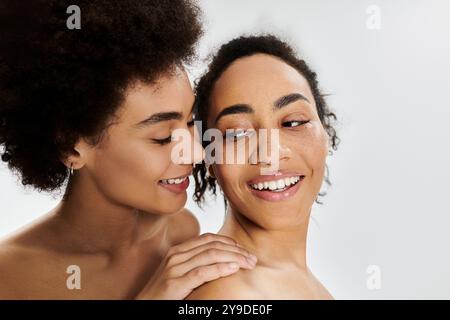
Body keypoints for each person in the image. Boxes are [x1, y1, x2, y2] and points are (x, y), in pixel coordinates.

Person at [0, 0, 256, 299]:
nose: (198, 153)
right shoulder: (10, 278)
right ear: (71, 146)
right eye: (162, 138)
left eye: (190, 121)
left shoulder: (180, 232)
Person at [188, 35, 340, 299]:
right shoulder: (227, 293)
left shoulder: (304, 285)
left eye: (293, 123)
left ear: (325, 133)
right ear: (209, 157)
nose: (270, 154)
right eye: (236, 133)